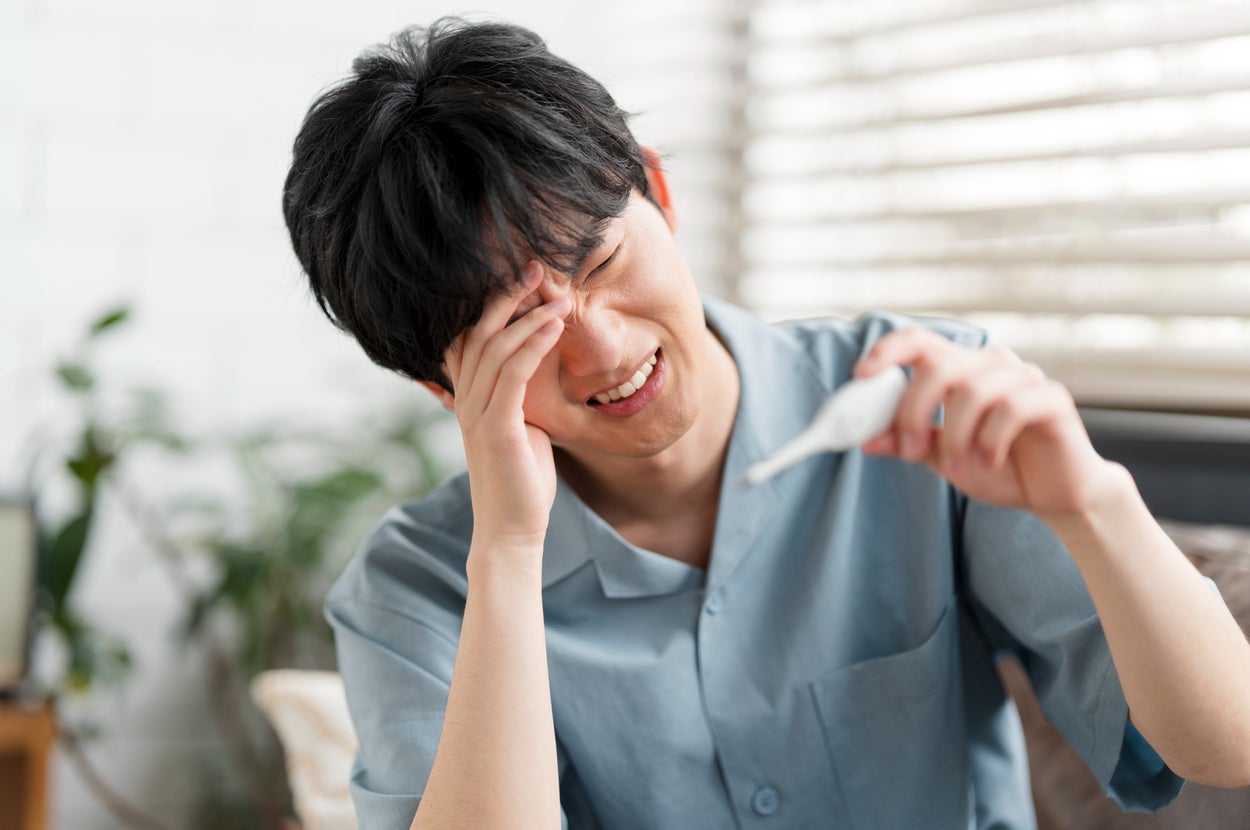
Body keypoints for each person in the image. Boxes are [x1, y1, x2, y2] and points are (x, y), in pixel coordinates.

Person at [282, 17, 1250, 830]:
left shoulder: (920, 398)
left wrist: (1093, 504)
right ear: (442, 385)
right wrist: (506, 551)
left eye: (601, 262)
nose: (602, 350)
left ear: (658, 192)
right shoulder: (413, 586)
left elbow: (1225, 747)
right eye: (517, 333)